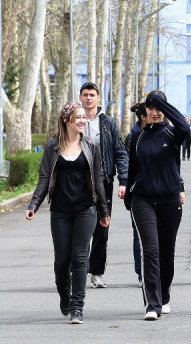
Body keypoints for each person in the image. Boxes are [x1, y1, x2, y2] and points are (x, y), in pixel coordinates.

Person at [25, 102, 109, 324]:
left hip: (85, 209)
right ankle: (65, 294)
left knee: (80, 258)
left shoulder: (92, 146)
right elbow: (44, 178)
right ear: (66, 120)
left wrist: (104, 210)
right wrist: (33, 205)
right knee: (62, 260)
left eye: (84, 117)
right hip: (60, 211)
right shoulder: (53, 146)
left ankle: (77, 307)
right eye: (78, 117)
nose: (82, 120)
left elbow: (98, 181)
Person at [124, 91, 189, 321]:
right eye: (150, 108)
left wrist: (161, 101)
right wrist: (129, 197)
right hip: (143, 200)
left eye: (158, 108)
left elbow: (185, 126)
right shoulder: (136, 138)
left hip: (170, 200)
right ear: (144, 111)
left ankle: (164, 293)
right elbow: (132, 169)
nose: (155, 112)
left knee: (166, 253)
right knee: (150, 250)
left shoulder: (173, 134)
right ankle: (152, 304)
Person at [79, 82, 128, 289]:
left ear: (98, 98)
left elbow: (119, 151)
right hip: (77, 183)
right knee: (78, 228)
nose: (89, 98)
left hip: (103, 181)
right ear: (80, 97)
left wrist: (123, 181)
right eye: (85, 95)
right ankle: (77, 270)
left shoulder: (109, 123)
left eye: (92, 95)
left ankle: (97, 272)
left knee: (102, 226)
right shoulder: (74, 120)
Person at [125, 102, 147, 287]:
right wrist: (125, 186)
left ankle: (154, 271)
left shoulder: (165, 133)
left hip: (162, 192)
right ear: (143, 117)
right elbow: (127, 166)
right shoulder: (132, 137)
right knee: (138, 234)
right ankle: (141, 272)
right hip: (139, 192)